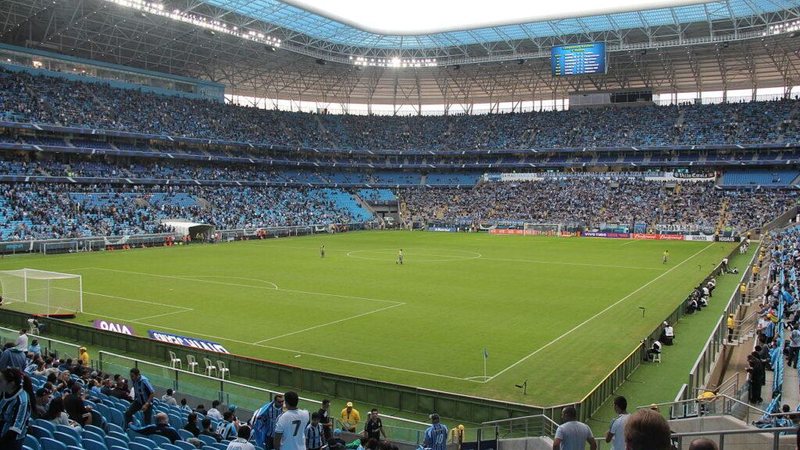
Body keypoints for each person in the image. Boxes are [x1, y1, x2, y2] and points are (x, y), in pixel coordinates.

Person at [0, 368, 32, 450]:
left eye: (1, 381)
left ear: (11, 384)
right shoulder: (3, 391)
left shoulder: (21, 400)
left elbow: (15, 429)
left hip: (10, 441)